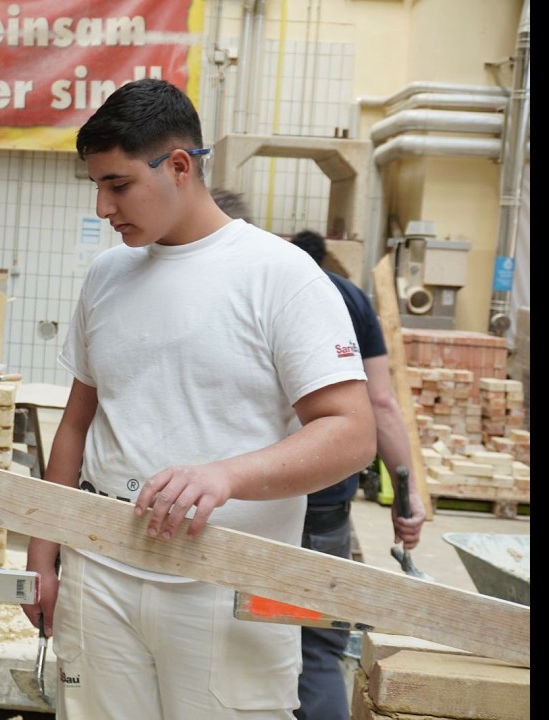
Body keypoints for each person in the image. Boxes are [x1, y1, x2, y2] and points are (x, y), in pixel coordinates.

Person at [20, 78, 376, 720]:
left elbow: (352, 433)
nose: (103, 206)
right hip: (101, 571)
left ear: (179, 165)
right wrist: (44, 550)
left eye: (118, 184)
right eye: (95, 185)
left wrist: (226, 476)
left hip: (229, 580)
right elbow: (77, 423)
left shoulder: (281, 276)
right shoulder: (107, 276)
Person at [287, 229, 426, 720]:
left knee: (247, 633)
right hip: (324, 505)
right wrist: (406, 491)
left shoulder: (265, 283)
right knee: (316, 647)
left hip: (256, 498)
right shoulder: (350, 296)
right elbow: (382, 401)